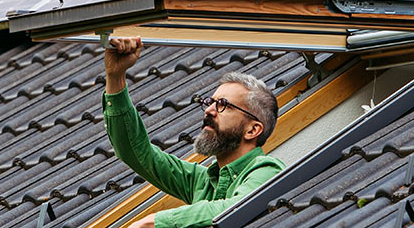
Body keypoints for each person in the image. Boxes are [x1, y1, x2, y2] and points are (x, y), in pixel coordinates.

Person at [102, 37, 285, 228]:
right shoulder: (202, 181)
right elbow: (136, 151)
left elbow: (237, 207)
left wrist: (155, 221)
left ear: (253, 129)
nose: (209, 110)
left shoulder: (267, 171)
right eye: (210, 102)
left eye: (223, 105)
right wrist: (115, 77)